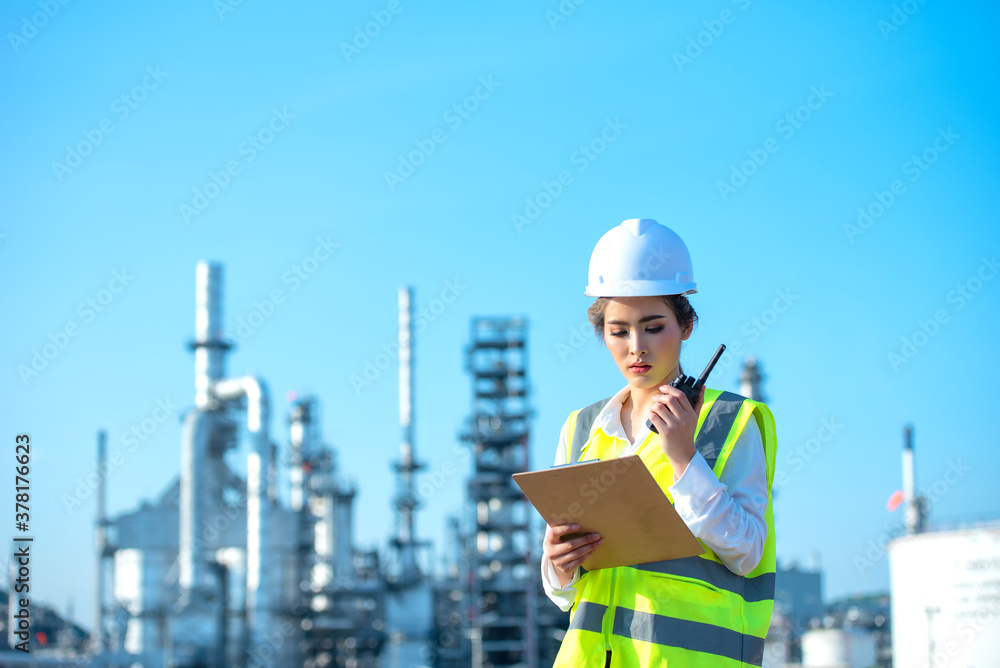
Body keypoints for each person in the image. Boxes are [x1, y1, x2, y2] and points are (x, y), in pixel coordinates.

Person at [540, 218, 777, 667]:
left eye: (653, 327)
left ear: (685, 326)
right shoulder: (581, 429)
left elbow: (747, 553)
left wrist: (685, 458)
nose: (637, 348)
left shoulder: (730, 422)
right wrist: (557, 563)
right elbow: (561, 594)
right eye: (618, 331)